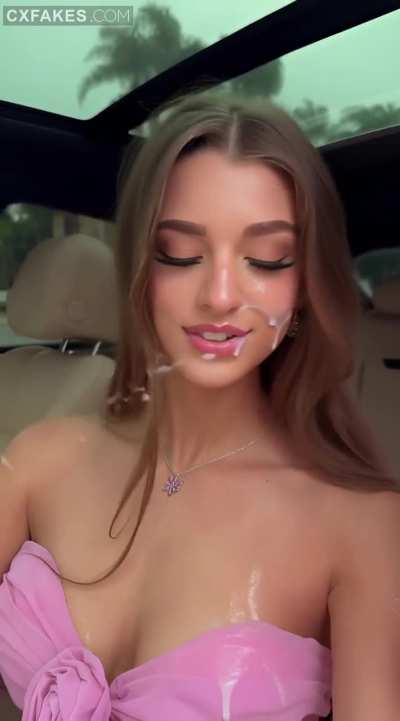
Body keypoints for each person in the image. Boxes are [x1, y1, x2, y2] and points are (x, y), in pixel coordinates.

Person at [1, 91, 400, 721]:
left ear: (303, 287)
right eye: (180, 254)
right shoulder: (37, 461)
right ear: (140, 268)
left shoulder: (361, 524)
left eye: (266, 260)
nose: (218, 295)